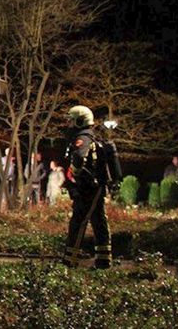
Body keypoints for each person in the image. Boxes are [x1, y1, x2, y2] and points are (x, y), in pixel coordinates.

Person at [62, 105, 114, 269]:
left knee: (78, 222)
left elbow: (78, 158)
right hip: (94, 187)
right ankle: (103, 260)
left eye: (71, 121)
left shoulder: (83, 138)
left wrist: (73, 175)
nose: (68, 124)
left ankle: (70, 260)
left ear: (79, 121)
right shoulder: (90, 137)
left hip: (88, 189)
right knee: (99, 221)